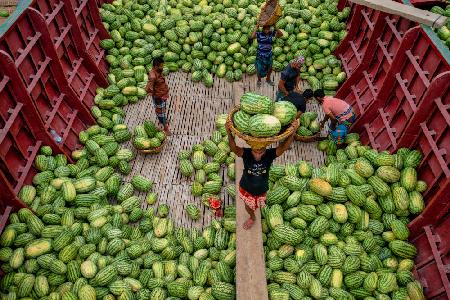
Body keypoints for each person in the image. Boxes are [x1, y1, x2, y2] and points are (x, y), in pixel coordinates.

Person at [225, 119, 299, 230]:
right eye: (256, 151)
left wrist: (293, 132)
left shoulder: (269, 155)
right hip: (246, 188)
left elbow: (283, 148)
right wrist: (229, 133)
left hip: (261, 189)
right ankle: (252, 217)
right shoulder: (246, 153)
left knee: (257, 204)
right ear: (251, 149)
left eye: (261, 151)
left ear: (266, 148)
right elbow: (234, 148)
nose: (258, 154)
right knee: (248, 206)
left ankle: (255, 209)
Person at [145, 56, 171, 135]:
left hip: (162, 95)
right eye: (161, 66)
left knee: (162, 110)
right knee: (161, 112)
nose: (162, 67)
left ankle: (161, 120)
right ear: (156, 66)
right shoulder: (152, 76)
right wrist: (153, 93)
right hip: (159, 97)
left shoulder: (158, 71)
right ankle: (166, 129)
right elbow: (148, 88)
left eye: (162, 65)